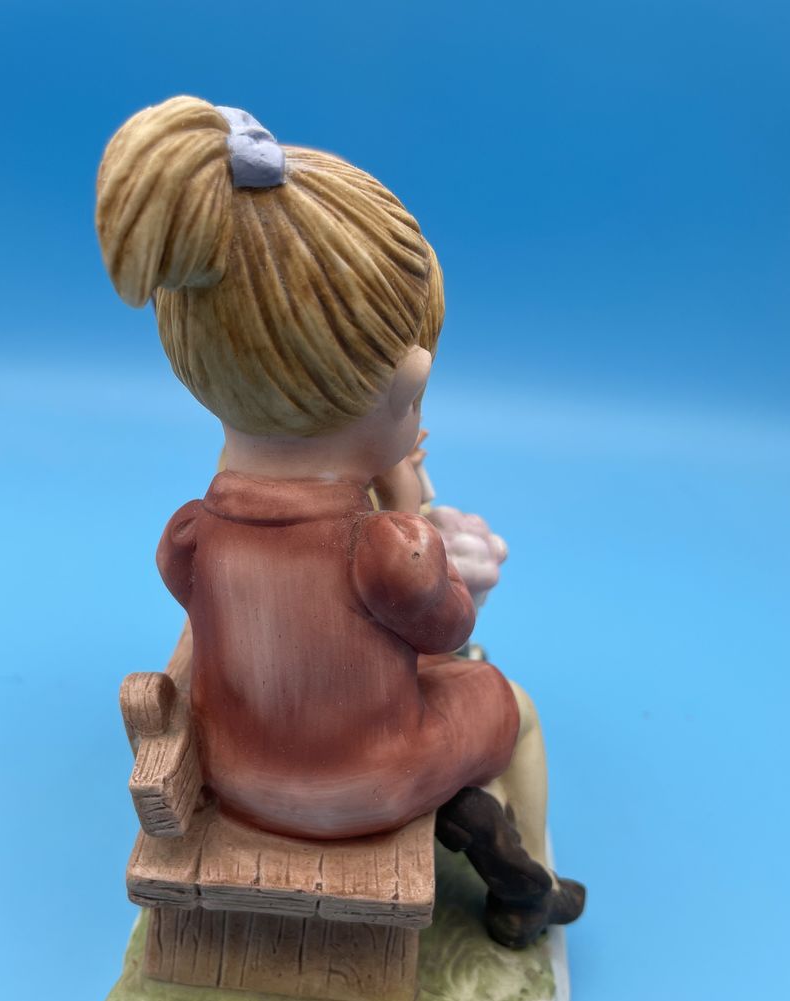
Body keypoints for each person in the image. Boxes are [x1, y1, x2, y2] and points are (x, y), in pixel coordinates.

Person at [95, 97, 584, 946]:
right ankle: (529, 887)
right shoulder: (384, 550)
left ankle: (481, 837)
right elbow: (447, 637)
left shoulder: (190, 536)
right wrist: (420, 521)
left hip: (239, 778)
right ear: (409, 384)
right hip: (368, 785)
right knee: (510, 705)